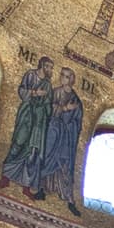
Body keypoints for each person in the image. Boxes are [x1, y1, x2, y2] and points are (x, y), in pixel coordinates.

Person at [0, 56, 54, 197]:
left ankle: (26, 185)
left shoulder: (48, 84)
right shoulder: (30, 75)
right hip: (27, 116)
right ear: (42, 65)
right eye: (48, 66)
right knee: (18, 143)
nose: (50, 70)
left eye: (51, 67)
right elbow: (22, 91)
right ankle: (5, 177)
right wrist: (35, 93)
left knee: (33, 152)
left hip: (39, 122)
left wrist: (47, 108)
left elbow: (48, 104)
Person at [36, 67, 83, 216]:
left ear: (72, 79)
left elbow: (78, 120)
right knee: (47, 158)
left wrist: (71, 115)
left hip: (67, 137)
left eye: (67, 76)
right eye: (62, 75)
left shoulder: (76, 99)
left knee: (65, 165)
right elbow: (48, 109)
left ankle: (69, 199)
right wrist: (63, 108)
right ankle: (41, 189)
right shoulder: (55, 92)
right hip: (53, 132)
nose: (64, 78)